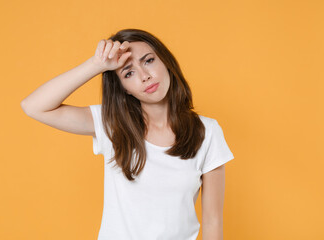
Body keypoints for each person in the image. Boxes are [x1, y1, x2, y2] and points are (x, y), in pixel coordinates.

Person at [21, 28, 234, 240]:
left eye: (149, 61)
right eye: (129, 73)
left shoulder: (207, 132)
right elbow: (33, 106)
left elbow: (212, 221)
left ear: (166, 62)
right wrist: (97, 65)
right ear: (124, 88)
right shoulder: (112, 124)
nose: (145, 76)